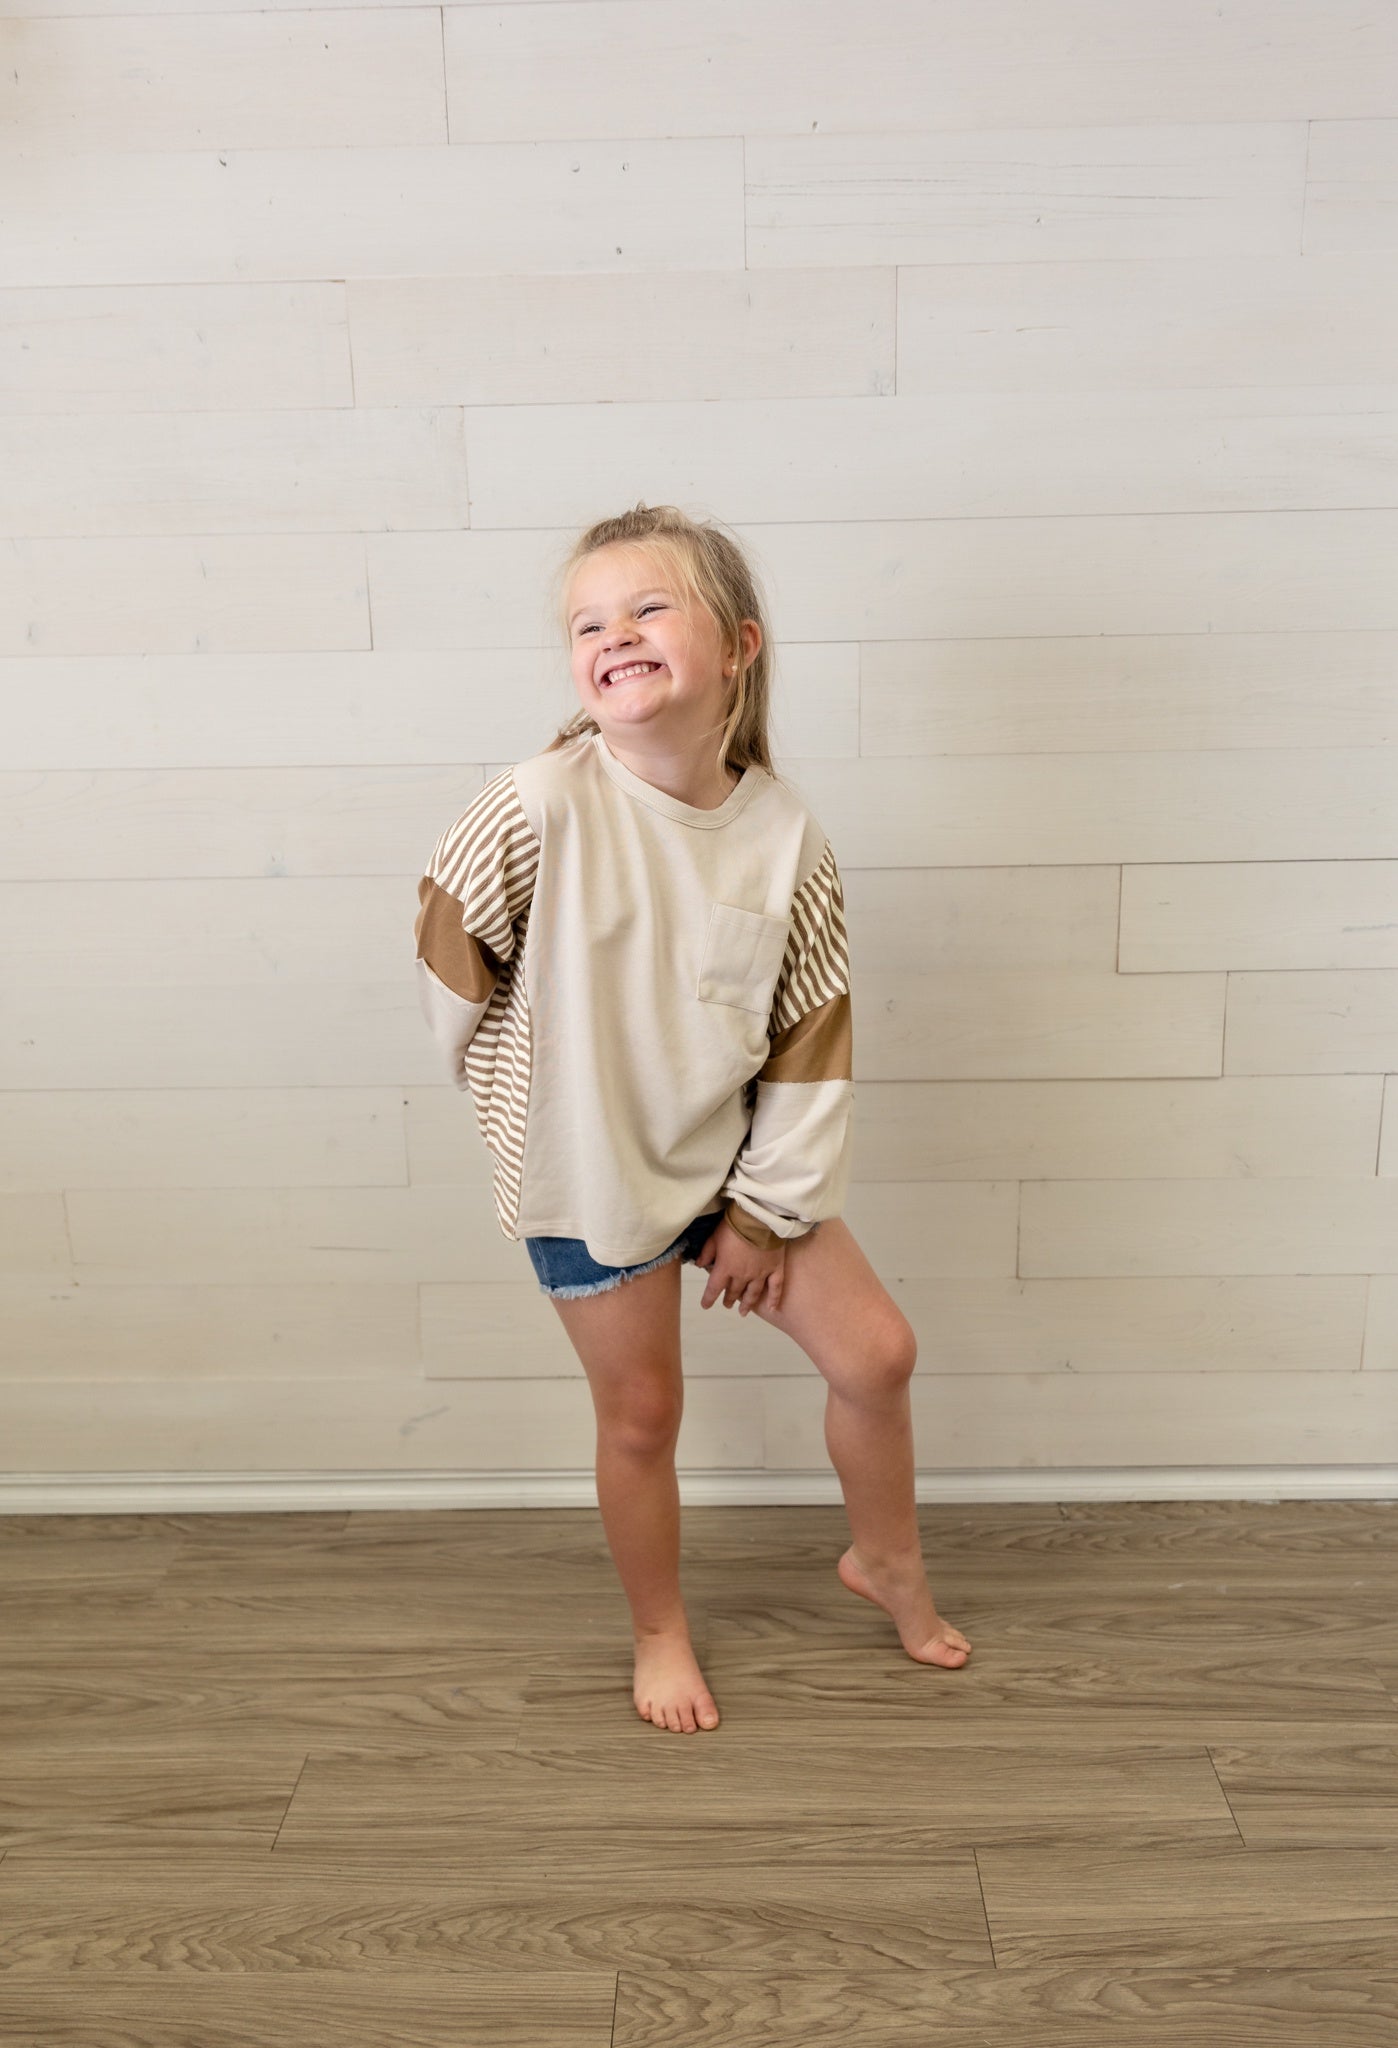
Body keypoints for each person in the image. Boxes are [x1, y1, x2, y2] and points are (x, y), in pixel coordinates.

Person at [413, 502, 971, 1734]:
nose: (614, 633)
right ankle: (659, 1628)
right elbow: (452, 963)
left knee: (878, 1353)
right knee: (643, 1413)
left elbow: (809, 1039)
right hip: (589, 1175)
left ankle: (886, 1560)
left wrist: (764, 1212)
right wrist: (536, 1111)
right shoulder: (533, 806)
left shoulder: (784, 836)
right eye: (587, 621)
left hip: (736, 1164)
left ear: (740, 645)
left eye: (648, 606)